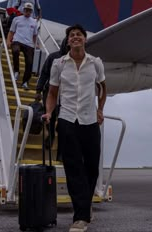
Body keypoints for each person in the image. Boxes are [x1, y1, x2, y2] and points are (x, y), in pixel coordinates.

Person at [42, 24, 106, 232]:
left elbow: (103, 87)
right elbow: (52, 93)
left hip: (89, 120)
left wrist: (100, 110)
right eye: (72, 35)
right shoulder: (59, 64)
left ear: (85, 40)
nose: (75, 37)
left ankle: (84, 208)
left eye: (79, 35)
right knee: (73, 168)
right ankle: (80, 218)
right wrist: (50, 112)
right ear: (68, 41)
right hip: (68, 119)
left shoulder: (96, 63)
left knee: (91, 168)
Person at [36, 37, 69, 151]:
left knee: (62, 120)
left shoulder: (73, 59)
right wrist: (38, 90)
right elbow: (44, 73)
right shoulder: (53, 57)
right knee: (50, 115)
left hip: (66, 94)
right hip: (50, 91)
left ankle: (60, 144)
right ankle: (50, 136)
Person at [6, 2, 38, 90]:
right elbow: (11, 31)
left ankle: (25, 82)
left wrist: (36, 45)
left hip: (29, 44)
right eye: (26, 10)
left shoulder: (34, 22)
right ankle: (16, 71)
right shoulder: (16, 19)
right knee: (15, 50)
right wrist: (8, 40)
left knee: (29, 63)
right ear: (23, 10)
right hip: (17, 41)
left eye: (29, 10)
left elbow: (35, 35)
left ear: (31, 12)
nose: (27, 12)